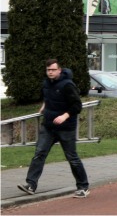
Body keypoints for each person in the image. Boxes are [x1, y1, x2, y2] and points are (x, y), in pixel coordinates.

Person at [17, 59, 90, 198]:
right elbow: (49, 96)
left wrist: (65, 116)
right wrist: (45, 105)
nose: (50, 72)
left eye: (53, 70)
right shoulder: (46, 83)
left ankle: (83, 187)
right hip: (48, 126)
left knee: (72, 158)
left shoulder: (68, 85)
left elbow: (77, 106)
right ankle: (31, 184)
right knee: (39, 154)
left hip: (66, 127)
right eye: (48, 70)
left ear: (59, 70)